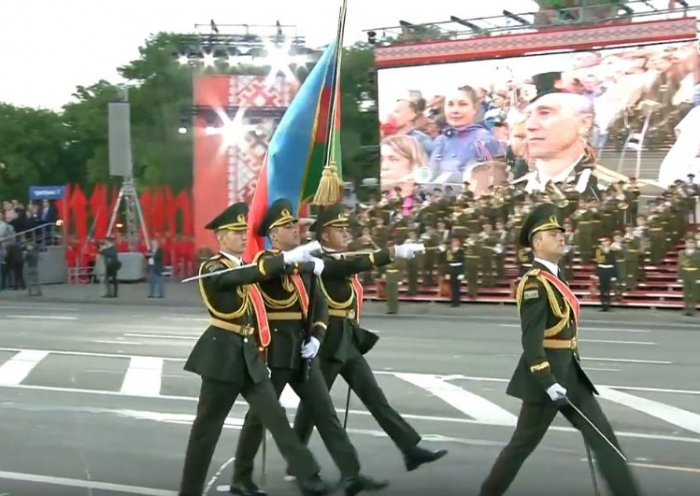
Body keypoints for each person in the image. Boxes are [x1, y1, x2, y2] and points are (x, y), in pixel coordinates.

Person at [478, 202, 641, 496]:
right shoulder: (535, 284)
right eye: (553, 233)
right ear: (537, 242)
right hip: (547, 380)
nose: (561, 236)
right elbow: (530, 342)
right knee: (520, 447)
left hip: (572, 376)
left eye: (562, 232)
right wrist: (548, 382)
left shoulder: (557, 277)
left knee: (605, 441)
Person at [230, 198, 388, 496]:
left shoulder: (305, 266)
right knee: (261, 417)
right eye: (288, 227)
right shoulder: (266, 260)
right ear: (273, 234)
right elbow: (268, 269)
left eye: (296, 226)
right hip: (274, 349)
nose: (296, 231)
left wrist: (316, 335)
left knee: (324, 411)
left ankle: (351, 473)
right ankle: (243, 476)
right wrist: (297, 258)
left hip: (304, 350)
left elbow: (320, 305)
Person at [178, 202, 333, 496]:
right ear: (221, 238)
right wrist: (286, 257)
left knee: (275, 416)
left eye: (242, 232)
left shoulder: (246, 267)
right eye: (234, 233)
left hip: (250, 355)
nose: (240, 237)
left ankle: (307, 475)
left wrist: (294, 261)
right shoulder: (212, 268)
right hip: (222, 356)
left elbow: (256, 274)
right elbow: (247, 276)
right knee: (206, 432)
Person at [290, 203, 447, 476]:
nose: (346, 234)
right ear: (325, 235)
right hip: (326, 342)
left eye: (345, 229)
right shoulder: (317, 262)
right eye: (339, 230)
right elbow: (355, 264)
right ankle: (296, 461)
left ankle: (410, 449)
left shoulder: (338, 259)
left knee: (376, 398)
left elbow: (352, 266)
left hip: (347, 339)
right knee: (314, 406)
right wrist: (393, 252)